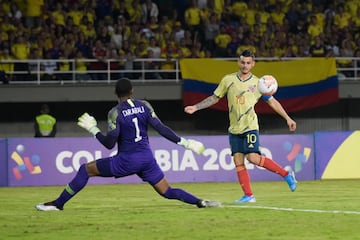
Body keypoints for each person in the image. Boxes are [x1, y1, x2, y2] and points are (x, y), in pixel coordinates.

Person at [35, 78, 221, 211]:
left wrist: (93, 129)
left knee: (85, 170)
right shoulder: (145, 105)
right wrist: (185, 143)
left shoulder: (115, 113)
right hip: (147, 159)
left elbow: (109, 144)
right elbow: (162, 128)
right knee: (167, 190)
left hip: (126, 161)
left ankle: (58, 204)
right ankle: (199, 202)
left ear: (116, 94)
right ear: (132, 91)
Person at [184, 49, 298, 203]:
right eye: (243, 62)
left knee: (252, 158)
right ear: (238, 62)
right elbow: (215, 98)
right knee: (238, 161)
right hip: (234, 128)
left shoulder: (259, 84)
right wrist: (196, 107)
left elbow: (273, 102)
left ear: (253, 64)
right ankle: (249, 195)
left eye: (248, 63)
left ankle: (286, 174)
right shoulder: (228, 80)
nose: (245, 65)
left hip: (250, 126)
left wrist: (288, 118)